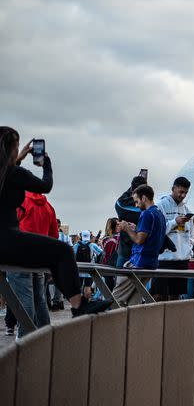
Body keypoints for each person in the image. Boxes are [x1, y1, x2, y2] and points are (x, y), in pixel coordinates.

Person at [0, 128, 111, 317]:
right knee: (63, 251)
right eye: (17, 147)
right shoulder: (15, 174)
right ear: (10, 149)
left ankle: (76, 304)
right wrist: (47, 164)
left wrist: (18, 158)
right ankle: (78, 305)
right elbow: (46, 186)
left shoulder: (7, 174)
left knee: (52, 261)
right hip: (8, 239)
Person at [5, 190, 59, 337]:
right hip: (39, 260)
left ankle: (25, 340)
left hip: (19, 258)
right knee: (39, 300)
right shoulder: (48, 206)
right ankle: (45, 336)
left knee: (25, 300)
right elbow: (54, 235)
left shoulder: (19, 202)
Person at [112, 184, 166, 306]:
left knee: (115, 299)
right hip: (151, 264)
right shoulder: (159, 214)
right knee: (134, 302)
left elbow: (139, 240)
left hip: (138, 263)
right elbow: (151, 237)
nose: (136, 205)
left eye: (137, 201)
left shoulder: (146, 214)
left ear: (144, 198)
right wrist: (136, 228)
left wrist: (126, 228)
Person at [154, 176, 194, 301]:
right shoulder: (161, 205)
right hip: (164, 259)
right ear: (173, 189)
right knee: (159, 296)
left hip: (182, 260)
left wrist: (189, 250)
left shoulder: (186, 210)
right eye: (181, 192)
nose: (183, 195)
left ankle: (174, 319)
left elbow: (191, 234)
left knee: (176, 296)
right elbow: (157, 231)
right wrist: (174, 222)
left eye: (185, 193)